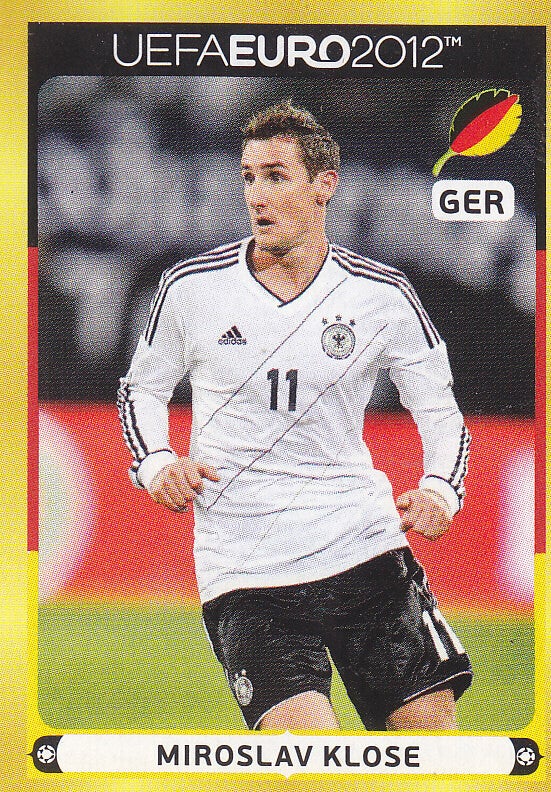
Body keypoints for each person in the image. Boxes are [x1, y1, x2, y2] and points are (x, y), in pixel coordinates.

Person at [118, 100, 472, 731]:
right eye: (249, 177)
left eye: (276, 176)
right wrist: (157, 465)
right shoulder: (191, 288)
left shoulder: (382, 296)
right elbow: (140, 390)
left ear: (323, 185)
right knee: (306, 757)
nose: (257, 194)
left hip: (365, 550)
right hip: (247, 572)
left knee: (432, 752)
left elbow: (440, 410)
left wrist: (440, 488)